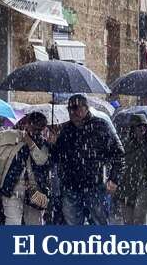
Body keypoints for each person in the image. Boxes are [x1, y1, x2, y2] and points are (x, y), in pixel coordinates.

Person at [52, 94, 125, 225]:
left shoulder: (101, 126)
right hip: (71, 187)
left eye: (76, 108)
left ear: (86, 108)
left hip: (95, 187)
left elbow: (119, 154)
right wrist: (53, 143)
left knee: (98, 226)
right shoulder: (66, 130)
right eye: (69, 109)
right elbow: (57, 157)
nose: (72, 112)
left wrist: (114, 179)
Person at [0, 112, 51, 225]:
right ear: (27, 124)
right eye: (33, 127)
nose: (35, 131)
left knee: (35, 223)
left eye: (39, 129)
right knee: (13, 222)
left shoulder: (44, 144)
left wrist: (31, 143)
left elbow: (41, 160)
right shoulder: (10, 136)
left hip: (35, 189)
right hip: (12, 187)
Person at [116, 114, 147, 225]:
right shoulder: (125, 143)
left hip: (144, 185)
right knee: (128, 221)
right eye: (138, 126)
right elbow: (118, 161)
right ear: (133, 128)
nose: (142, 129)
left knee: (139, 219)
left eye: (144, 126)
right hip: (126, 186)